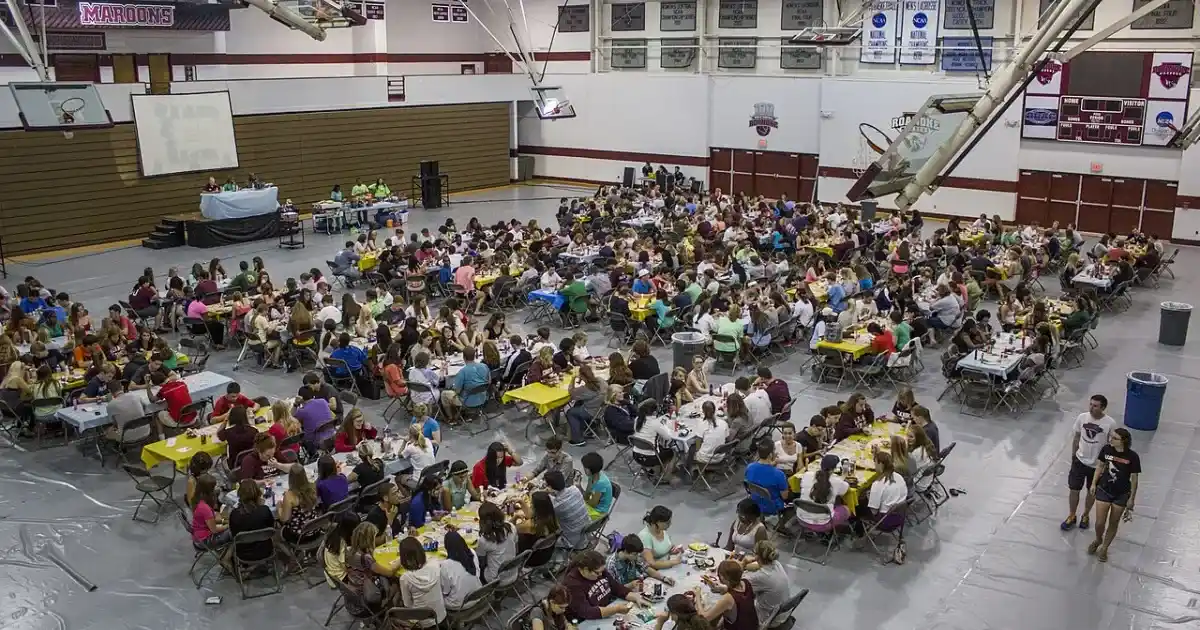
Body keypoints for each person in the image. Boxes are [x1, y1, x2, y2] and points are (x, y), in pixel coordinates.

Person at [1061, 394, 1117, 531]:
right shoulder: (1082, 417)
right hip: (1079, 461)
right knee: (1074, 490)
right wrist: (1074, 456)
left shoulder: (1110, 423)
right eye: (1091, 404)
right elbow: (1077, 437)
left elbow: (1113, 445)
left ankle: (1085, 515)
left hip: (1097, 466)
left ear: (1103, 407)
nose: (1092, 408)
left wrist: (1106, 463)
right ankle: (1072, 515)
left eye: (1095, 405)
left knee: (1091, 492)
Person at [1088, 428, 1140, 563]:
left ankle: (1105, 547)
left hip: (1121, 494)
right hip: (1104, 489)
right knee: (1100, 522)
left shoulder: (1132, 457)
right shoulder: (1106, 450)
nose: (1111, 440)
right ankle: (1098, 538)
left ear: (1123, 441)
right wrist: (1094, 483)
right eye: (1111, 437)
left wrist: (1132, 499)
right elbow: (1100, 466)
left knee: (1113, 522)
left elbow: (1134, 479)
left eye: (1115, 438)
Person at [561, 550, 646, 619]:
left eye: (602, 571)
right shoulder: (572, 584)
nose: (601, 575)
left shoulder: (599, 570)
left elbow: (616, 587)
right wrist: (616, 609)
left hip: (607, 609)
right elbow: (587, 612)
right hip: (587, 621)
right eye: (597, 573)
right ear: (585, 570)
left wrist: (635, 597)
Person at [344, 522, 403, 612]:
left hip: (354, 590)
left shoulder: (348, 551)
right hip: (367, 595)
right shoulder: (366, 558)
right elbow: (389, 572)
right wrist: (401, 558)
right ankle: (390, 609)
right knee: (397, 581)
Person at [694, 559, 759, 630]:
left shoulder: (728, 599)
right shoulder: (746, 582)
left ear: (722, 577)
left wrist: (697, 595)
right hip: (753, 624)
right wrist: (717, 588)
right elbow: (738, 593)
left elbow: (704, 618)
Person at [397, 536, 447, 625]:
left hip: (421, 622)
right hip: (441, 617)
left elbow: (407, 605)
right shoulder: (435, 564)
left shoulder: (405, 578)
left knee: (395, 610)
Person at [741, 540, 791, 628]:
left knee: (734, 604)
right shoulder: (776, 564)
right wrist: (748, 565)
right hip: (781, 614)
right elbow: (758, 566)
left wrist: (743, 563)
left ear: (757, 556)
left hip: (767, 620)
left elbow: (737, 582)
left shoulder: (761, 577)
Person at [795, 454, 851, 528]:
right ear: (834, 468)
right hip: (823, 523)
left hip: (802, 518)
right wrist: (843, 475)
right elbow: (845, 490)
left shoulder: (807, 475)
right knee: (846, 509)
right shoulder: (837, 482)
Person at [228, 482, 276, 564]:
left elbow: (233, 534)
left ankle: (247, 567)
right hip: (265, 550)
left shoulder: (235, 514)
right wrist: (261, 506)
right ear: (258, 493)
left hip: (243, 553)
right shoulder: (264, 510)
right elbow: (271, 527)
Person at [606, 535, 675, 590]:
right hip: (621, 594)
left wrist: (663, 578)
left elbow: (646, 568)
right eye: (635, 554)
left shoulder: (633, 556)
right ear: (626, 551)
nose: (637, 556)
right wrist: (630, 585)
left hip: (635, 587)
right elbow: (614, 589)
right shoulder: (611, 565)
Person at [545, 469, 591, 549]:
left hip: (572, 542)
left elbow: (552, 505)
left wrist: (545, 493)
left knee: (544, 535)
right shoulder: (575, 489)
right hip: (586, 535)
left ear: (550, 487)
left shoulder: (556, 506)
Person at [743, 442, 791, 517]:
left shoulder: (749, 467)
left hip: (755, 501)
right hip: (773, 507)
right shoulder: (779, 474)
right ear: (770, 455)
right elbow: (785, 497)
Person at [278, 466, 322, 544]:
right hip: (316, 529)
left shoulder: (289, 496)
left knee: (280, 526)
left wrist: (279, 508)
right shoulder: (312, 487)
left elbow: (284, 519)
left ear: (290, 478)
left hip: (299, 536)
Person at [440, 530, 482, 610]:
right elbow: (478, 573)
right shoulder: (472, 552)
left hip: (459, 604)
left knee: (438, 597)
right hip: (477, 595)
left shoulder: (446, 565)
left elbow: (445, 591)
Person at [476, 501, 517, 583]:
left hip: (496, 580)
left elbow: (481, 563)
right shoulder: (511, 527)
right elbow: (516, 548)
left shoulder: (484, 540)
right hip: (513, 573)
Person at [566, 364, 607, 446]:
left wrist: (573, 379)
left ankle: (577, 439)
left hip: (591, 412)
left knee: (570, 412)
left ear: (582, 376)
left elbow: (571, 391)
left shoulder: (585, 389)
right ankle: (587, 428)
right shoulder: (601, 381)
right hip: (603, 409)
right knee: (578, 404)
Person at [190, 473, 231, 549]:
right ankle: (227, 557)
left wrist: (220, 517)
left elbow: (214, 514)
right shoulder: (205, 508)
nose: (216, 487)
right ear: (209, 490)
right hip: (204, 541)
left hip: (199, 536)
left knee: (223, 514)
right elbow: (214, 530)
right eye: (214, 486)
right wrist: (228, 525)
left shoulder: (197, 498)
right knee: (233, 530)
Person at [323, 512, 361, 587]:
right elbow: (345, 565)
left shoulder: (336, 533)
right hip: (340, 576)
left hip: (336, 569)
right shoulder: (341, 543)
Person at [581, 451, 614, 519]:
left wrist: (582, 503)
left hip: (598, 513)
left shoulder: (600, 483)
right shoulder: (592, 475)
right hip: (592, 506)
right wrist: (579, 486)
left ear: (588, 470)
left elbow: (593, 504)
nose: (583, 469)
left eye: (584, 467)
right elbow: (586, 496)